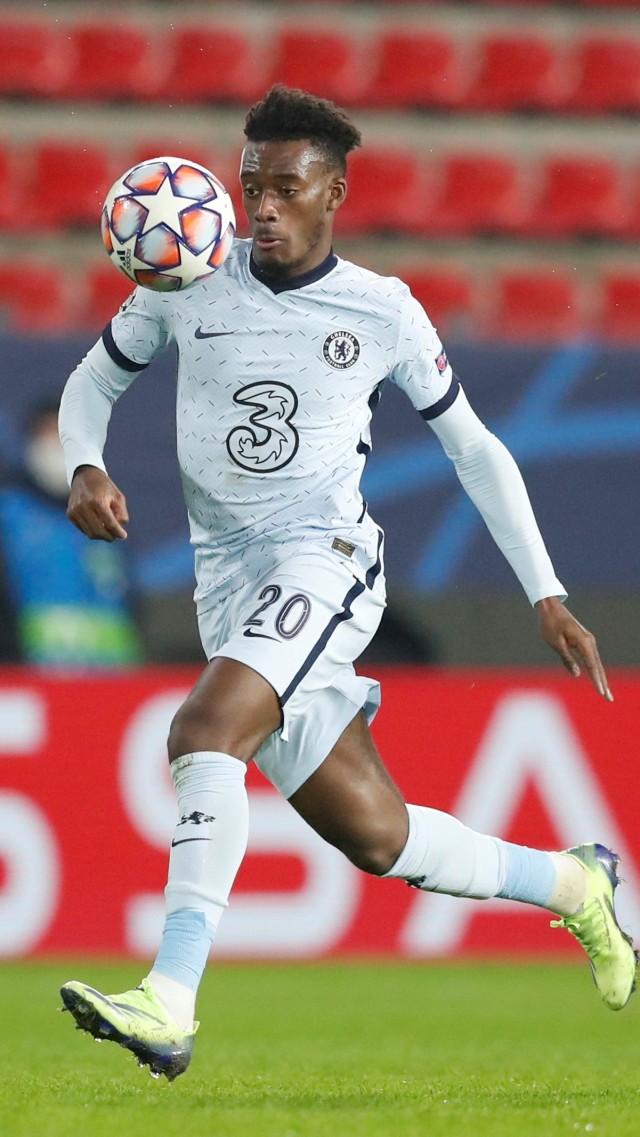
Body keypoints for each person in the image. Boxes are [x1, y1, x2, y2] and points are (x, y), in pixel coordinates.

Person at [58, 86, 636, 1082]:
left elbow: (475, 450)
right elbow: (92, 383)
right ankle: (575, 885)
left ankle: (169, 999)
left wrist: (542, 590)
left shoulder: (380, 309)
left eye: (287, 187)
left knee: (203, 732)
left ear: (336, 190)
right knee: (379, 836)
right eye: (251, 187)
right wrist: (84, 464)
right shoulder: (187, 283)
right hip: (229, 585)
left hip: (324, 563)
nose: (264, 207)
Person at [0, 400, 141, 666]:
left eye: (66, 437)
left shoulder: (111, 512)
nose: (56, 444)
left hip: (112, 678)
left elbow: (130, 601)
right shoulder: (9, 514)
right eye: (47, 433)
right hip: (27, 676)